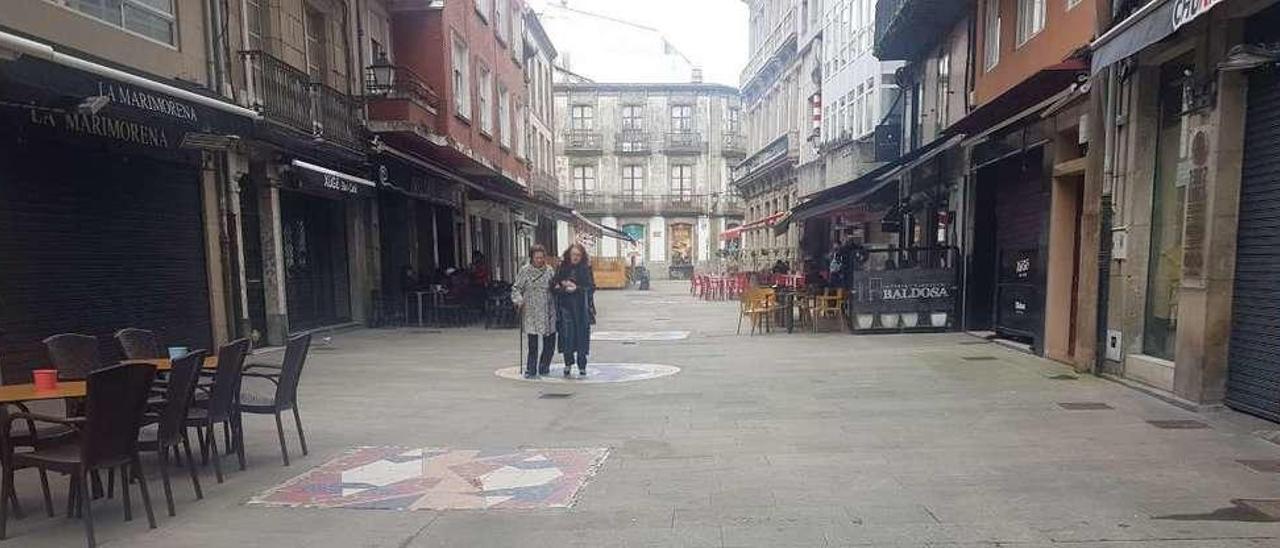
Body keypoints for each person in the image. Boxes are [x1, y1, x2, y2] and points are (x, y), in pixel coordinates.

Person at [511, 245, 556, 378]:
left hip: (548, 310)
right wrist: (518, 300)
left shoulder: (549, 271)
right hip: (531, 310)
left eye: (542, 257)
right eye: (537, 257)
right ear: (532, 258)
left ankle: (544, 365)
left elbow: (554, 286)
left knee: (549, 342)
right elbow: (516, 288)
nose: (539, 260)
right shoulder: (525, 271)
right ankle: (531, 368)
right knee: (533, 343)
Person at [553, 243, 594, 377]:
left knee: (582, 336)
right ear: (568, 255)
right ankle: (568, 364)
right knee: (567, 336)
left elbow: (591, 287)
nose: (575, 257)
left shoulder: (586, 269)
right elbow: (554, 285)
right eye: (573, 254)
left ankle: (582, 365)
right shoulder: (562, 267)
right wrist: (562, 286)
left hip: (581, 307)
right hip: (565, 307)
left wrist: (577, 288)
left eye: (578, 255)